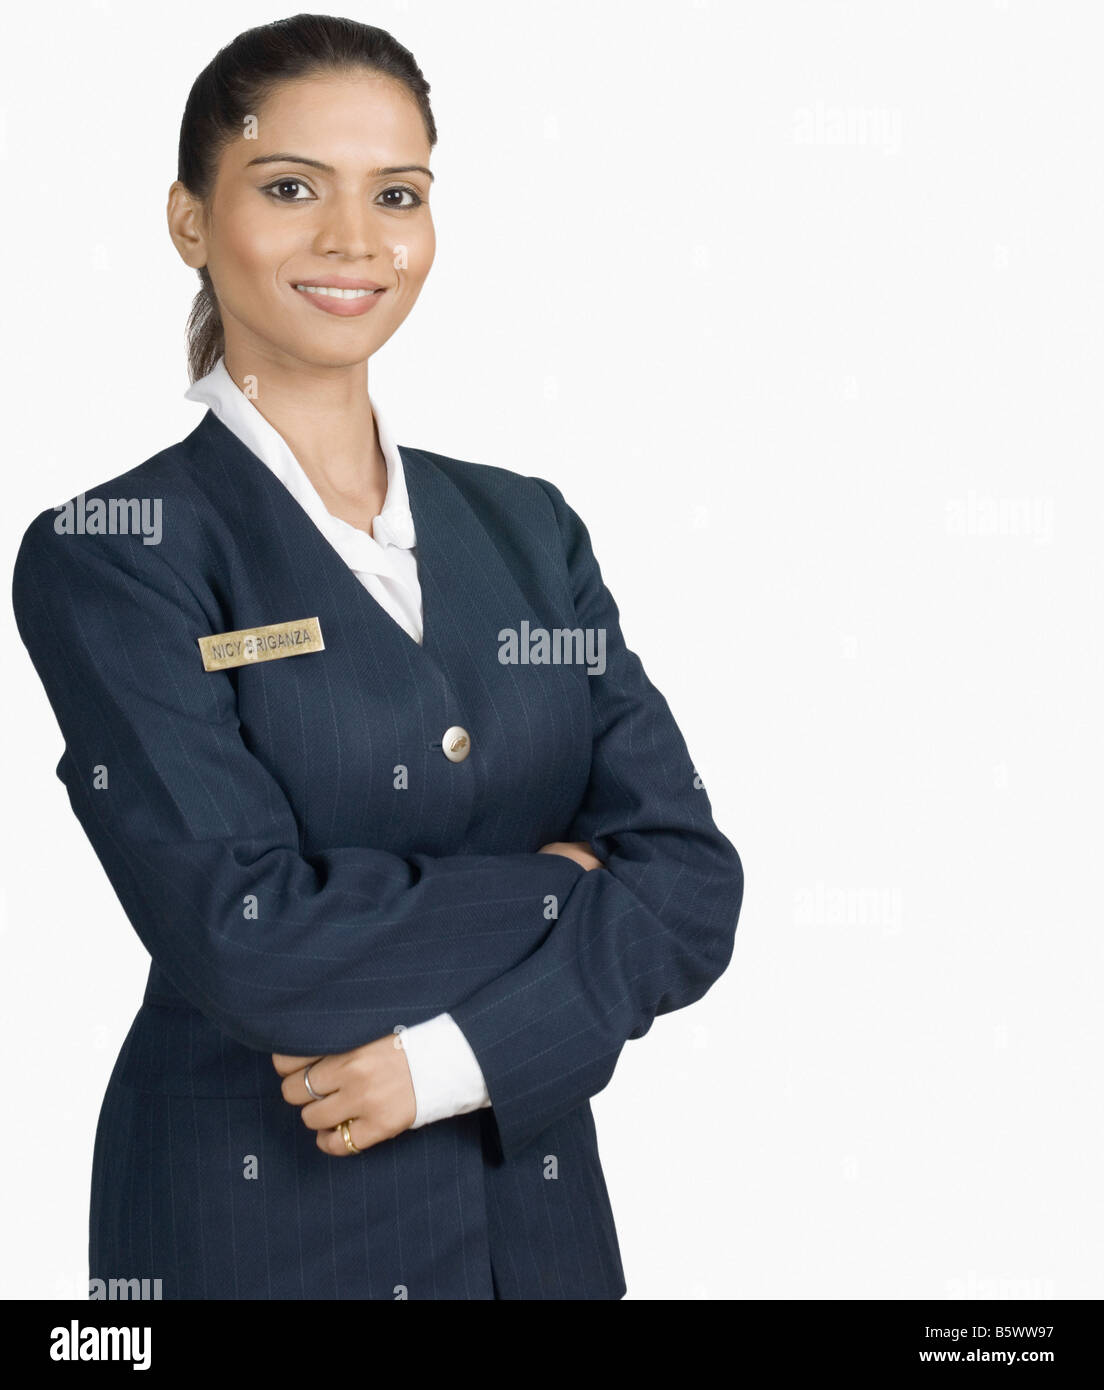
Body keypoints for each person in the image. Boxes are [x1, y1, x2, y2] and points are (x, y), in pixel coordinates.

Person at [11, 13, 743, 1300]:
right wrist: (567, 882)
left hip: (543, 1236)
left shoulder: (529, 527)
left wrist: (457, 1058)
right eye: (291, 188)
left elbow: (688, 881)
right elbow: (248, 935)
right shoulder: (115, 553)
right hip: (256, 1231)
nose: (354, 240)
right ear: (189, 221)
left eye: (395, 195)